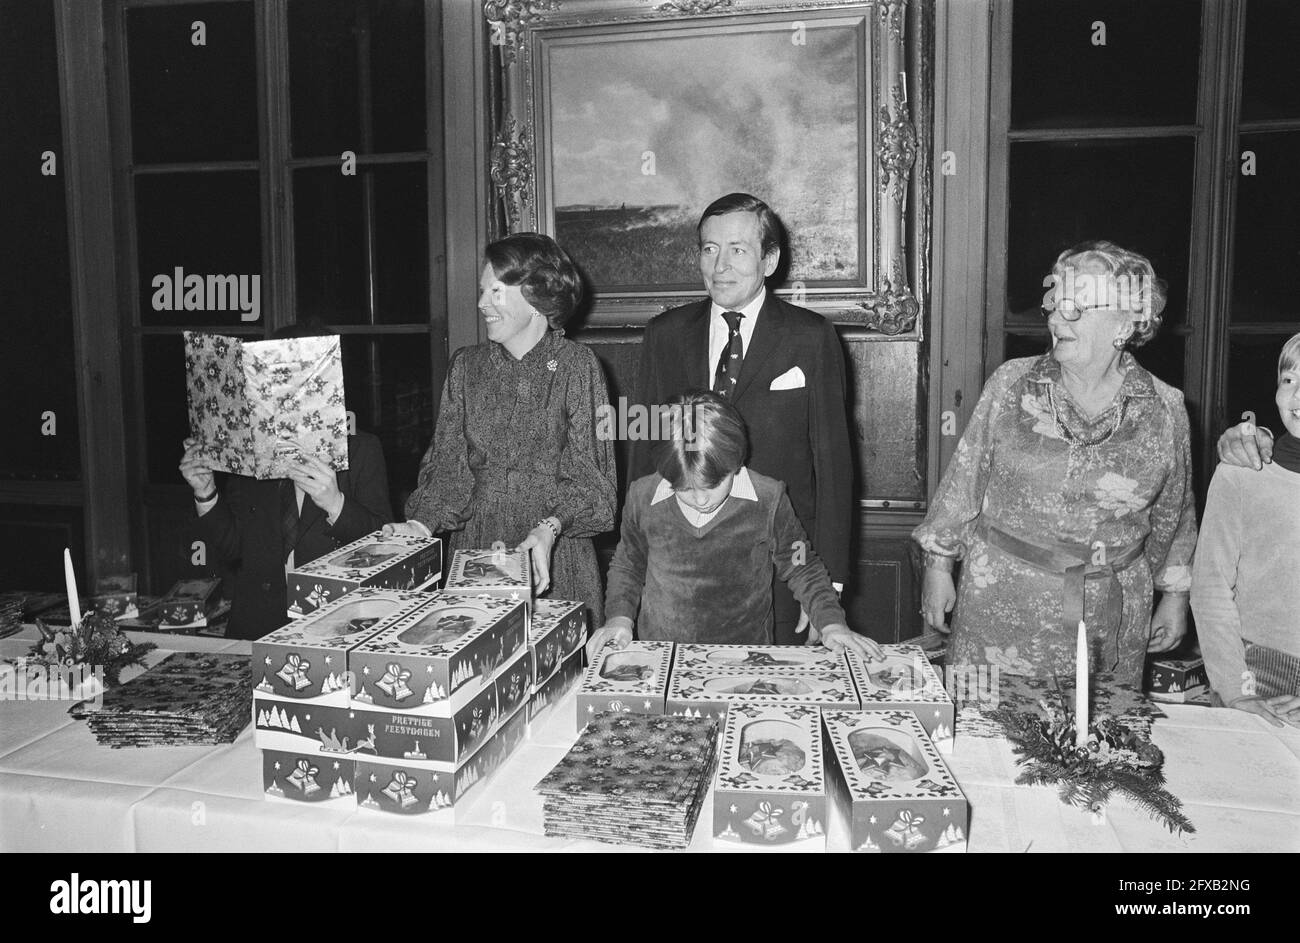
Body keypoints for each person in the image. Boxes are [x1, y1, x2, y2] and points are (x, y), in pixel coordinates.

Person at [914, 241, 1197, 686]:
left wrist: (1175, 595)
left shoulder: (1164, 407)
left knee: (1102, 745)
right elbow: (964, 480)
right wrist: (938, 565)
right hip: (1000, 603)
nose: (1055, 318)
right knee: (982, 733)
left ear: (1125, 322)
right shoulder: (1012, 384)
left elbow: (1175, 513)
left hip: (1110, 615)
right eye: (1054, 303)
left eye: (1075, 307)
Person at [628, 193, 853, 644]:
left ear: (770, 260)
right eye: (709, 249)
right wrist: (637, 561)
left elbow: (833, 465)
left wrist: (829, 585)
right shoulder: (665, 336)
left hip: (782, 563)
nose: (720, 266)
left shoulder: (811, 337)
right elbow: (644, 449)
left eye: (738, 250)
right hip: (679, 566)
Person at [389, 233, 616, 623]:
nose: (482, 304)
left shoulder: (578, 367)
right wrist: (418, 524)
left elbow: (595, 487)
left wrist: (548, 528)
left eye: (495, 291)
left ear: (537, 296)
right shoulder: (466, 367)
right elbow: (450, 469)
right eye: (482, 291)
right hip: (477, 553)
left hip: (555, 559)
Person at [588, 391, 880, 661]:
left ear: (736, 462)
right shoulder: (642, 496)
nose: (701, 499)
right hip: (663, 657)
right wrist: (618, 618)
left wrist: (830, 622)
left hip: (743, 658)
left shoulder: (768, 499)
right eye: (684, 489)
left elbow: (802, 564)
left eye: (713, 485)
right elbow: (628, 564)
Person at [179, 323, 394, 641]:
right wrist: (206, 493)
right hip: (256, 630)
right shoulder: (248, 452)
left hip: (334, 629)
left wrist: (336, 504)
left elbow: (387, 551)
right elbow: (233, 549)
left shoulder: (361, 450)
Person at [1191, 333, 1300, 727]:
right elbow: (1210, 589)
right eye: (1289, 380)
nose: (1298, 395)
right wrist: (1236, 690)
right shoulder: (1243, 473)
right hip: (1255, 671)